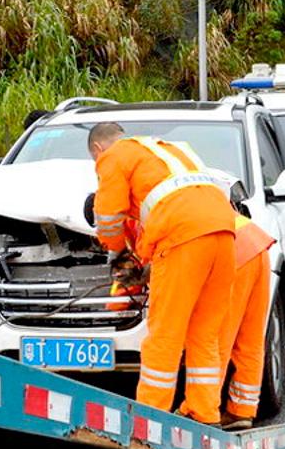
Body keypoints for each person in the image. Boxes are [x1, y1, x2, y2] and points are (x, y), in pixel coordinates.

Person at [89, 123, 236, 424]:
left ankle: (151, 417)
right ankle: (204, 412)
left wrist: (117, 252)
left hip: (183, 234)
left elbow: (108, 214)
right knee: (204, 332)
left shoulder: (113, 156)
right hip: (224, 230)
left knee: (165, 334)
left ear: (97, 150)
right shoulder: (170, 150)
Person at [219, 213, 275, 430]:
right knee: (249, 338)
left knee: (215, 339)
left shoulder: (141, 212)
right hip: (255, 245)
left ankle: (200, 411)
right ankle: (241, 411)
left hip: (231, 254)